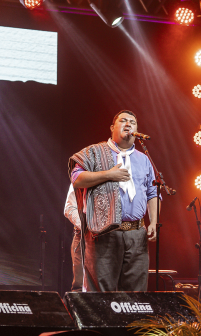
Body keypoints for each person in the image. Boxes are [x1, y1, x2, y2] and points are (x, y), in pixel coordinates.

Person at [68, 110, 158, 292]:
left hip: (136, 233)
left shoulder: (144, 159)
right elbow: (76, 178)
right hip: (103, 233)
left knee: (136, 294)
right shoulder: (93, 152)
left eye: (133, 122)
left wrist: (154, 221)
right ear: (112, 128)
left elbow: (152, 192)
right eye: (123, 121)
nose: (128, 124)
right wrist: (109, 174)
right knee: (101, 292)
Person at [63, 184, 83, 291]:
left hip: (109, 238)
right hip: (83, 238)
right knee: (80, 286)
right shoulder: (81, 174)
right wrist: (87, 229)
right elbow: (69, 208)